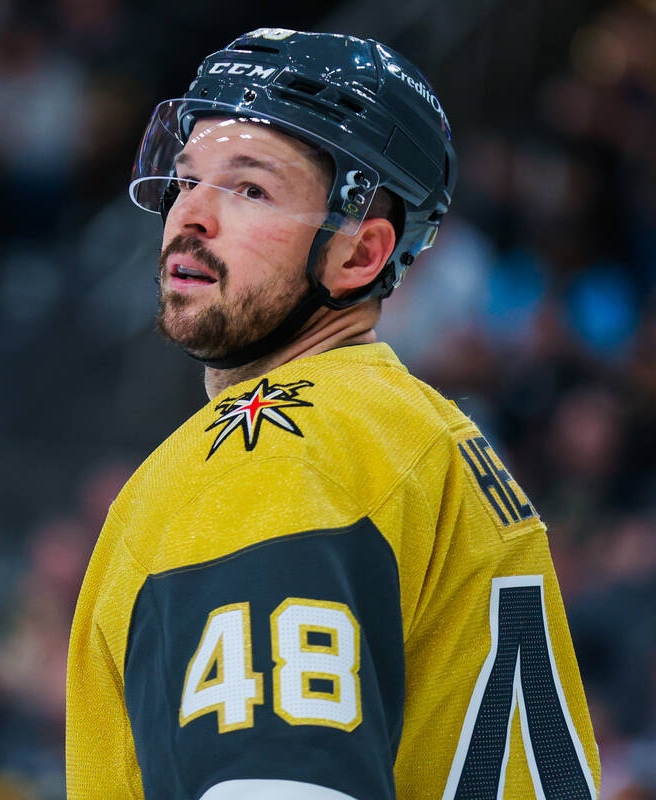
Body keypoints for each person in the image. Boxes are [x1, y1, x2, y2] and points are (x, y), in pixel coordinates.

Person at [66, 28, 600, 800]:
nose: (191, 217)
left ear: (359, 253)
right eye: (186, 180)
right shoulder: (419, 435)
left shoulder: (274, 445)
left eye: (250, 189)